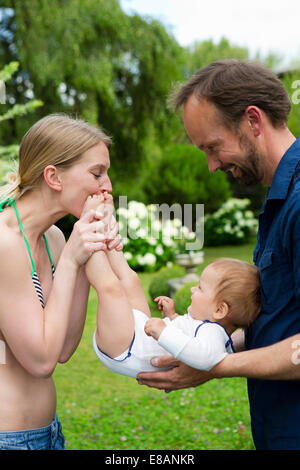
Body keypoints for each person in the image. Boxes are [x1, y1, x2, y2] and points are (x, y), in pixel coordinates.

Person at [137, 59, 300, 450]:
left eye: (213, 146)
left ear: (253, 121)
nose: (211, 166)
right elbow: (280, 321)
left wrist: (214, 365)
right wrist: (202, 340)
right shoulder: (279, 198)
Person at [0, 113, 121, 450]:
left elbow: (64, 348)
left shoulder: (53, 237)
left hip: (48, 433)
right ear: (53, 176)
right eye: (97, 173)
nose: (108, 186)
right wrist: (71, 259)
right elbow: (40, 361)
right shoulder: (4, 242)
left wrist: (85, 253)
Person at [83, 193, 261, 379]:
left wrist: (163, 332)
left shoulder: (214, 334)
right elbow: (189, 336)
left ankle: (88, 225)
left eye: (200, 288)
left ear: (219, 310)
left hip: (126, 349)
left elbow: (205, 358)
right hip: (136, 334)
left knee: (110, 287)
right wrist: (172, 316)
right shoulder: (206, 326)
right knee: (131, 279)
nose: (193, 289)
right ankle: (106, 222)